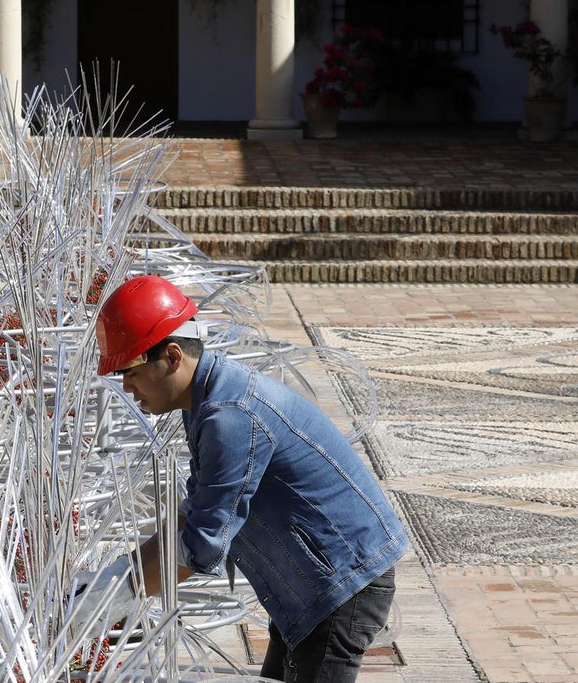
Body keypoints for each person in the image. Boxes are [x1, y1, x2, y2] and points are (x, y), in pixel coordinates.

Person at [76, 274, 408, 682]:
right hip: (306, 582)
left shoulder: (229, 416)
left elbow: (201, 543)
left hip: (340, 582)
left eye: (130, 371)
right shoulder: (205, 401)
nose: (127, 387)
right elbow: (193, 515)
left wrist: (115, 596)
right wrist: (111, 578)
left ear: (173, 357)